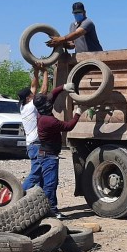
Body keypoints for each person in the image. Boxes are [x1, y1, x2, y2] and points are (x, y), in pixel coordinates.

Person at [32, 86, 82, 219]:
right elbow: (68, 126)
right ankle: (52, 211)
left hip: (45, 154)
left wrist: (64, 87)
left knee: (45, 184)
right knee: (50, 184)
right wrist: (78, 113)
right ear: (45, 106)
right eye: (48, 103)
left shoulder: (43, 113)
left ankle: (42, 209)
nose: (50, 103)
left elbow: (52, 95)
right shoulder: (48, 120)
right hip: (48, 156)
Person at [18, 63, 51, 190]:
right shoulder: (32, 107)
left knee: (41, 174)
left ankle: (39, 198)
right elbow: (43, 90)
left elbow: (33, 86)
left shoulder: (23, 106)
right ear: (28, 98)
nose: (34, 94)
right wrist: (46, 72)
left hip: (32, 144)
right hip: (35, 144)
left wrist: (36, 71)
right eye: (31, 94)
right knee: (36, 174)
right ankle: (19, 194)